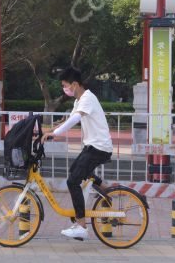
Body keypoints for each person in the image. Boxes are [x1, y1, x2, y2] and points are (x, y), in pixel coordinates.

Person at [41, 67, 113, 241]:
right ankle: (108, 189)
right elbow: (68, 120)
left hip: (99, 147)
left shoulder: (88, 98)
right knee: (77, 170)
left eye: (65, 86)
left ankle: (81, 225)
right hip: (92, 146)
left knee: (73, 181)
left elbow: (75, 119)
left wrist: (55, 134)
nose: (64, 89)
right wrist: (49, 130)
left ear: (74, 84)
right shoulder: (78, 101)